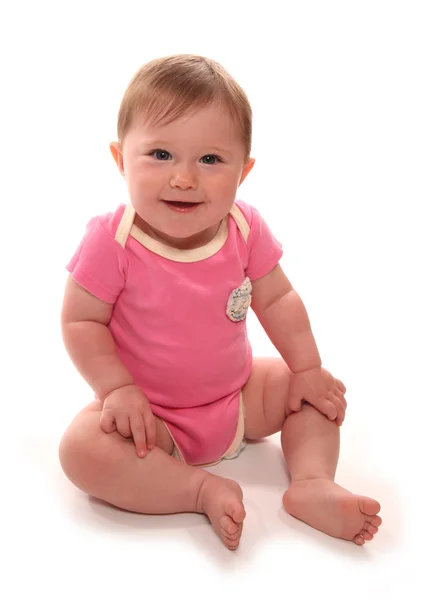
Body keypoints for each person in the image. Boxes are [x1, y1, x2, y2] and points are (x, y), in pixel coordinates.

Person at [58, 54, 382, 551]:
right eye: (160, 155)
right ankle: (197, 490)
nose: (184, 178)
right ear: (121, 159)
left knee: (314, 394)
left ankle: (312, 482)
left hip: (239, 396)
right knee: (81, 451)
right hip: (152, 416)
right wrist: (117, 389)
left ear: (244, 170)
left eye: (210, 160)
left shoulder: (244, 227)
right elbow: (82, 320)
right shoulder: (112, 240)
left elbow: (278, 298)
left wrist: (308, 366)